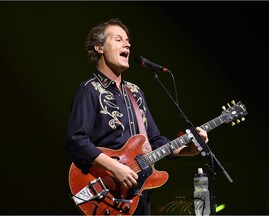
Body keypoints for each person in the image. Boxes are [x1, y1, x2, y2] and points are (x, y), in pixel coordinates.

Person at [65, 17, 208, 215]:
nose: (128, 44)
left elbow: (155, 141)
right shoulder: (89, 90)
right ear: (99, 48)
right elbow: (76, 140)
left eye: (128, 41)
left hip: (138, 195)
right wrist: (115, 168)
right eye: (118, 39)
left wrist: (187, 150)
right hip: (104, 193)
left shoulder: (135, 92)